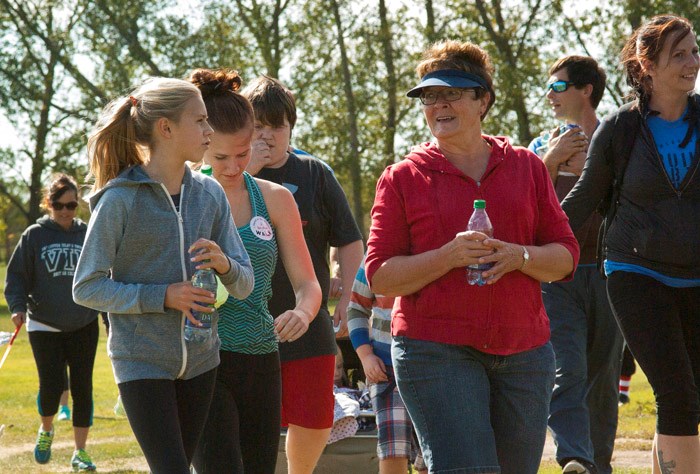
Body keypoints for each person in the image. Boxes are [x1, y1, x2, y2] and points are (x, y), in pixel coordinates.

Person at [365, 40, 580, 474]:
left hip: (525, 352)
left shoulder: (527, 166)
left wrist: (519, 256)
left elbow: (565, 257)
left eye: (452, 93)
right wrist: (447, 256)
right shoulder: (402, 178)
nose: (438, 104)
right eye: (429, 96)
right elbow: (381, 277)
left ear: (483, 100)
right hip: (435, 352)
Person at [72, 77, 254, 474]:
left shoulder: (210, 194)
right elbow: (86, 286)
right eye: (201, 121)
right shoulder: (119, 199)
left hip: (202, 361)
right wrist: (163, 296)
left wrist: (224, 264)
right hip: (141, 362)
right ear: (166, 128)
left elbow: (245, 283)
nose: (209, 131)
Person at [561, 14, 700, 473]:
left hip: (695, 274)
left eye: (695, 51)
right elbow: (582, 200)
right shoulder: (621, 129)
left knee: (689, 394)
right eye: (678, 54)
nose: (692, 62)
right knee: (676, 391)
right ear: (647, 65)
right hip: (636, 273)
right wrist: (528, 250)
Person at [187, 68, 322, 474]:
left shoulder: (276, 200)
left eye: (242, 154)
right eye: (221, 157)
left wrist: (302, 312)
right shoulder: (183, 196)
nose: (232, 167)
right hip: (201, 357)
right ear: (203, 145)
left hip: (261, 356)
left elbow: (309, 284)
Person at [242, 75, 364, 474]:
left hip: (307, 319)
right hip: (242, 323)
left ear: (291, 126)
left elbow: (349, 240)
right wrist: (248, 171)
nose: (267, 136)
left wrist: (346, 299)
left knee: (314, 418)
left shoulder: (315, 173)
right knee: (249, 421)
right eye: (256, 126)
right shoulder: (222, 177)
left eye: (275, 126)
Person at [529, 55, 623, 474]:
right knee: (566, 368)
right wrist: (551, 161)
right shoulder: (536, 147)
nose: (549, 94)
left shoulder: (619, 140)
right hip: (555, 275)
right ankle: (574, 459)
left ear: (586, 91)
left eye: (558, 86)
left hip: (610, 274)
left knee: (602, 380)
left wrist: (595, 169)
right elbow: (522, 204)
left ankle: (596, 467)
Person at [4, 173, 100, 471]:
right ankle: (46, 430)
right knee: (52, 384)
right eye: (59, 205)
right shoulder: (34, 235)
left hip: (84, 322)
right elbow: (17, 276)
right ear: (49, 203)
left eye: (71, 205)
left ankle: (80, 452)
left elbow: (102, 274)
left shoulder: (87, 233)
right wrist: (18, 307)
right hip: (44, 324)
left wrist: (108, 314)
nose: (65, 211)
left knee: (83, 387)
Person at [347, 255, 426, 474]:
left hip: (432, 366)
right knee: (393, 452)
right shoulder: (374, 259)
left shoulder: (434, 249)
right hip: (386, 370)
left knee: (432, 454)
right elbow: (356, 309)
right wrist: (366, 356)